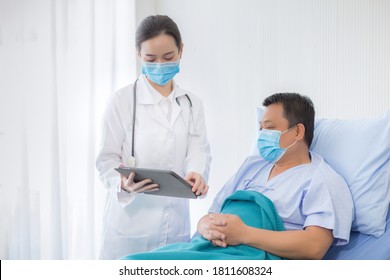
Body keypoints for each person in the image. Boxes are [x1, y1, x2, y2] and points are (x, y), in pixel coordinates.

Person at [121, 93, 354, 260]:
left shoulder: (322, 180)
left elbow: (315, 247)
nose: (262, 135)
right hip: (210, 246)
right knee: (131, 264)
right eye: (260, 128)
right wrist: (204, 226)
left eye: (269, 128)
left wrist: (244, 234)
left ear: (298, 131)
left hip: (252, 257)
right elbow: (215, 213)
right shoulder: (253, 166)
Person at [96, 15, 211, 259]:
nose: (160, 64)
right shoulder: (121, 102)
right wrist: (121, 183)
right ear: (139, 54)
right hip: (129, 227)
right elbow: (105, 160)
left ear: (181, 50)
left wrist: (197, 173)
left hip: (176, 226)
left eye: (168, 57)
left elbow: (199, 149)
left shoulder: (192, 104)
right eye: (150, 58)